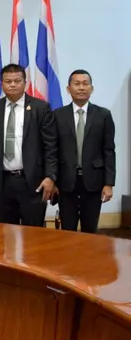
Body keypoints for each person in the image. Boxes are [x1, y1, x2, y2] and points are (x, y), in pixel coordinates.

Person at [0, 63, 57, 227]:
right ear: (2, 84)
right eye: (8, 81)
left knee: (33, 233)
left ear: (25, 83)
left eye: (17, 81)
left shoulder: (41, 108)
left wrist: (50, 177)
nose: (12, 85)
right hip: (3, 183)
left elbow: (51, 146)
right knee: (5, 233)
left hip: (32, 182)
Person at [53, 69, 115, 233]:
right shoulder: (58, 115)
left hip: (94, 181)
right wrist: (53, 179)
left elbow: (109, 150)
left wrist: (109, 183)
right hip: (66, 181)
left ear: (91, 88)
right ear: (68, 89)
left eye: (85, 84)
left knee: (90, 229)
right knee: (68, 228)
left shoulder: (103, 115)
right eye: (77, 84)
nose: (81, 87)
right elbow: (52, 150)